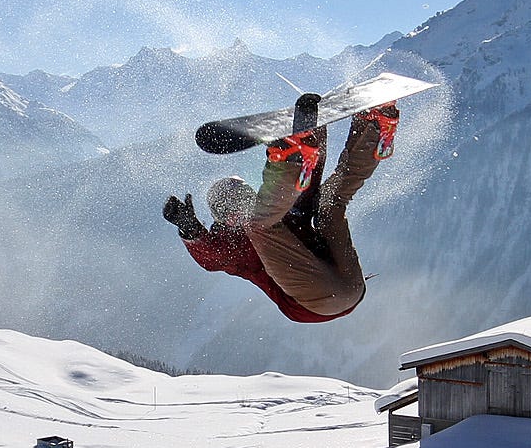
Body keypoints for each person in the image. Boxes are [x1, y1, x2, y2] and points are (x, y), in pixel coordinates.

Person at [164, 95, 397, 323]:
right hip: (316, 304)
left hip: (350, 285)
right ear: (222, 219)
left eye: (240, 198)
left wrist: (311, 129)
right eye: (228, 207)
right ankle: (289, 158)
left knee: (328, 205)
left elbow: (309, 176)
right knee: (259, 225)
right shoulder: (234, 244)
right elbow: (211, 259)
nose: (236, 209)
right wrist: (191, 230)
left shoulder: (281, 207)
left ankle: (374, 127)